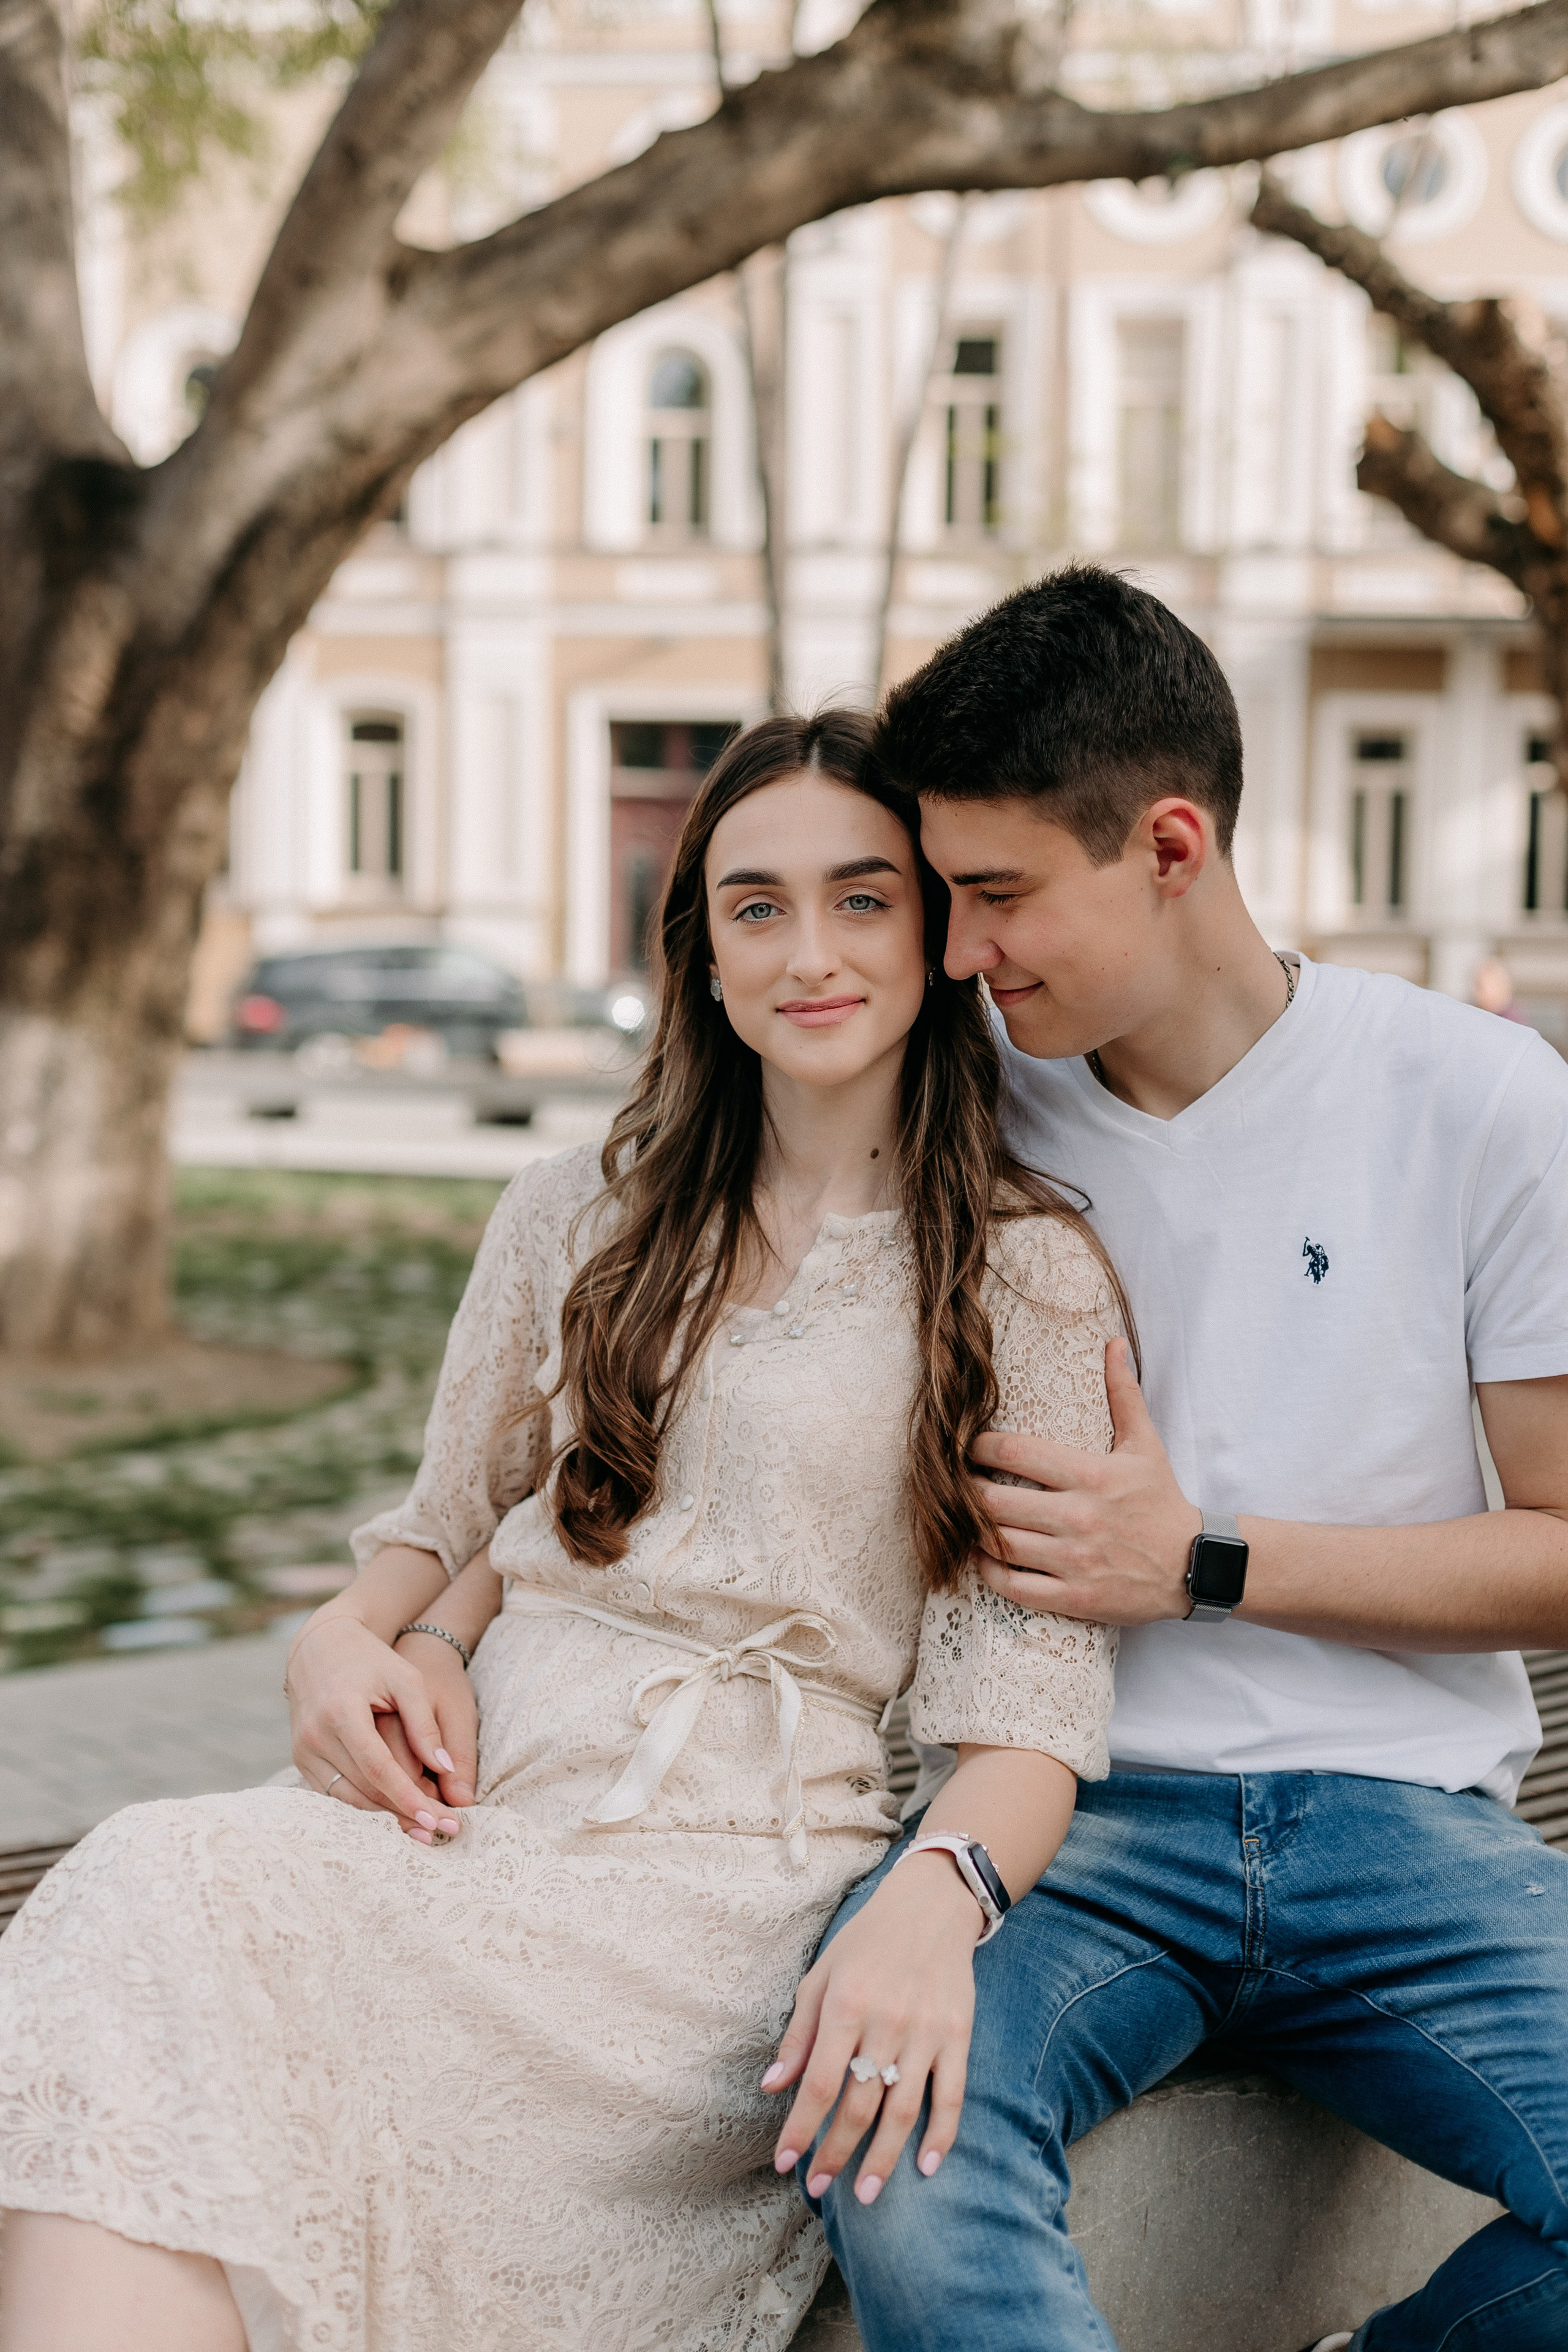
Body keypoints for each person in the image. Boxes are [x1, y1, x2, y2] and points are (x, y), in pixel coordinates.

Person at [0, 712, 1129, 2352]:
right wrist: (347, 1638)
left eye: (861, 897)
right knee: (145, 1911)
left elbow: (1033, 1715)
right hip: (469, 1806)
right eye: (756, 906)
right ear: (703, 950)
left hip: (719, 1888)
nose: (809, 952)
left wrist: (933, 1900)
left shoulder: (1025, 1273)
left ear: (939, 929)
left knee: (149, 1903)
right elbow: (447, 1514)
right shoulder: (577, 1207)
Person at [813, 567, 1568, 2352]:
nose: (966, 951)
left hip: (1406, 1830)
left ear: (1169, 844)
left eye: (999, 895)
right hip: (1063, 1817)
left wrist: (1207, 1560)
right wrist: (407, 1602)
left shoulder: (1477, 1098)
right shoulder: (955, 1107)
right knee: (885, 2138)